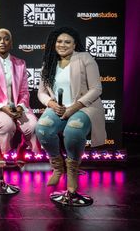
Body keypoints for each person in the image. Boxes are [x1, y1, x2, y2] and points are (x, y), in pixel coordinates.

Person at [35, 26, 106, 203]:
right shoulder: (49, 63)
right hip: (57, 108)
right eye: (59, 41)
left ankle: (72, 170)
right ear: (54, 44)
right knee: (42, 129)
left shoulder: (84, 59)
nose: (62, 44)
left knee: (73, 132)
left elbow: (97, 89)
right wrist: (51, 104)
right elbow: (41, 93)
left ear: (75, 44)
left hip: (83, 107)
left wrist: (73, 108)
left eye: (67, 42)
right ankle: (58, 167)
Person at [0, 28, 40, 167]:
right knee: (7, 125)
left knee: (33, 125)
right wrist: (2, 107)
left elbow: (24, 91)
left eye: (6, 39)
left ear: (11, 43)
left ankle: (23, 147)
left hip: (17, 107)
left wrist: (20, 106)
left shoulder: (20, 63)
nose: (2, 42)